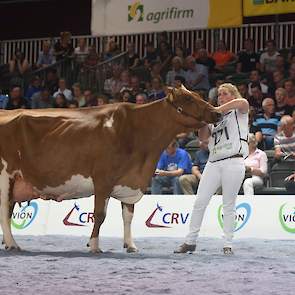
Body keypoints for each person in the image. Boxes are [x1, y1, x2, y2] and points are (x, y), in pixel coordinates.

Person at [174, 83, 249, 255]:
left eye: (224, 93)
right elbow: (203, 137)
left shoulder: (240, 109)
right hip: (213, 162)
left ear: (233, 94)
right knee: (200, 202)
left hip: (233, 161)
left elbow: (241, 102)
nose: (221, 96)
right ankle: (190, 241)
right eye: (219, 94)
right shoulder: (213, 117)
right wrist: (202, 120)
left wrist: (213, 109)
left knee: (228, 204)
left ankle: (228, 243)